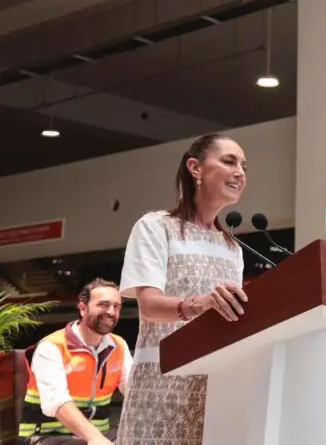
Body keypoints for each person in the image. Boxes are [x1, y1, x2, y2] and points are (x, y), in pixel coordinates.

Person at [115, 133, 249, 444]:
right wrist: (201, 304)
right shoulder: (155, 227)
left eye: (244, 166)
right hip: (161, 384)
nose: (240, 173)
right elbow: (149, 307)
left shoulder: (232, 248)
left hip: (216, 387)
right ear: (195, 168)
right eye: (229, 162)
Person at [18, 279, 130, 445]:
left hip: (100, 435)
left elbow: (134, 391)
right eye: (103, 305)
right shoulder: (52, 347)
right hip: (46, 436)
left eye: (116, 306)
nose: (111, 312)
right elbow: (57, 402)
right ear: (83, 308)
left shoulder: (119, 345)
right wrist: (94, 438)